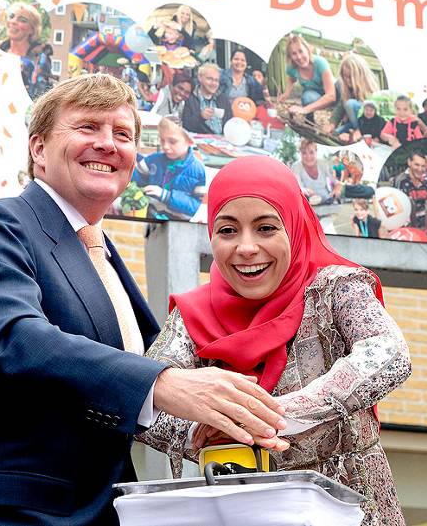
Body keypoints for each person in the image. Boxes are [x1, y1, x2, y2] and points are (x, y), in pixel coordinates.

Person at [0, 74, 288, 525]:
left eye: (123, 134)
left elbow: (120, 391)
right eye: (88, 127)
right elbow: (10, 338)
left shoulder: (103, 254)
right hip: (8, 515)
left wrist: (208, 423)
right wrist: (164, 383)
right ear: (39, 149)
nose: (108, 144)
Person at [136, 155, 410, 525]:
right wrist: (204, 427)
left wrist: (274, 415)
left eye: (266, 228)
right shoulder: (191, 316)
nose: (246, 248)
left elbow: (388, 353)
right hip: (238, 516)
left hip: (349, 514)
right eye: (228, 230)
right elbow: (146, 397)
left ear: (294, 227)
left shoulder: (334, 289)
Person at [132, 117, 206, 220]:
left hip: (178, 221)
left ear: (189, 141)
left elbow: (196, 207)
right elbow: (134, 180)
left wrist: (166, 196)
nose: (165, 146)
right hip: (151, 214)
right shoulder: (152, 160)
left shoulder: (198, 171)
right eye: (162, 140)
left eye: (172, 141)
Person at [277, 34, 336, 118]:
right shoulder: (292, 67)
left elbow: (331, 96)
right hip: (315, 94)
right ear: (290, 56)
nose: (299, 57)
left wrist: (304, 109)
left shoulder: (320, 63)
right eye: (294, 54)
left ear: (307, 50)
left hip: (334, 93)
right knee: (307, 97)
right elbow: (291, 79)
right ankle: (309, 120)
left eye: (301, 51)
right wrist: (286, 93)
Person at [328, 52, 379, 142]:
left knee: (350, 104)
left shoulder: (370, 92)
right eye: (345, 76)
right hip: (353, 124)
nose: (347, 80)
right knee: (335, 133)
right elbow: (339, 108)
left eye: (350, 77)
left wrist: (358, 132)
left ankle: (360, 133)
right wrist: (332, 124)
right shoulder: (347, 89)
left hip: (367, 124)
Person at [182, 62, 230, 134]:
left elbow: (229, 122)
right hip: (200, 140)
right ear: (200, 78)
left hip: (223, 139)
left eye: (216, 80)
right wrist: (201, 117)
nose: (214, 83)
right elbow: (186, 126)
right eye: (209, 79)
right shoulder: (190, 98)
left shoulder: (223, 99)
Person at [397, 151, 427, 231]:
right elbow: (397, 211)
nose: (420, 169)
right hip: (407, 226)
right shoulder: (401, 181)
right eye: (417, 165)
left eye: (423, 166)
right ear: (409, 162)